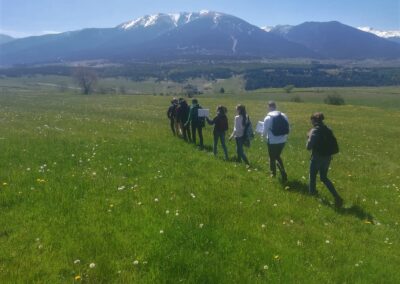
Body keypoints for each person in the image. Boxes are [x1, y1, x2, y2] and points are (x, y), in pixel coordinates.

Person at [307, 112, 343, 207]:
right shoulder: (328, 129)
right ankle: (336, 196)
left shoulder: (315, 131)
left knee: (312, 177)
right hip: (327, 158)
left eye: (311, 121)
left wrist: (309, 136)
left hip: (317, 158)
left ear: (314, 121)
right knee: (324, 178)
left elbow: (308, 147)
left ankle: (312, 195)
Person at [262, 101, 289, 182]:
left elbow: (264, 131)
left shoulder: (268, 118)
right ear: (275, 106)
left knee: (272, 158)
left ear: (269, 107)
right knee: (277, 156)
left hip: (273, 141)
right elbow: (288, 128)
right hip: (283, 140)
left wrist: (262, 136)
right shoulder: (283, 115)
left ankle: (273, 174)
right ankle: (283, 172)